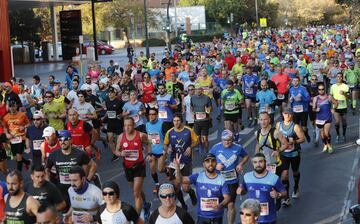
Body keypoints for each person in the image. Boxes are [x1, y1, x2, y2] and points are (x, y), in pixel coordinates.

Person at [45, 130, 97, 210]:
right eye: (60, 140)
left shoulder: (80, 153)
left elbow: (93, 165)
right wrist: (48, 183)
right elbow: (47, 169)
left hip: (77, 189)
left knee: (79, 211)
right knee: (65, 212)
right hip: (62, 189)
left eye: (66, 139)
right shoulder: (54, 154)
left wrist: (88, 180)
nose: (63, 142)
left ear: (71, 140)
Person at [174, 153, 230, 224]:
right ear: (203, 164)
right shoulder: (198, 177)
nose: (210, 163)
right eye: (207, 161)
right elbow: (180, 180)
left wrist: (220, 205)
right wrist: (178, 168)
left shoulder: (221, 180)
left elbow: (227, 197)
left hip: (217, 216)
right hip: (202, 216)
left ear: (216, 163)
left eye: (213, 161)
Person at [115, 117, 152, 219]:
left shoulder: (140, 135)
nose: (127, 127)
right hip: (127, 168)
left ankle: (136, 218)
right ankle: (145, 203)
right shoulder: (120, 137)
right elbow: (116, 151)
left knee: (136, 193)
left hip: (139, 166)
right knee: (138, 191)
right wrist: (120, 153)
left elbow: (149, 143)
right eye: (125, 125)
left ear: (134, 125)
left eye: (129, 125)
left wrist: (149, 153)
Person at [210, 130, 249, 224]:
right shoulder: (215, 147)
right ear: (221, 139)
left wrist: (240, 164)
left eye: (229, 140)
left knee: (230, 204)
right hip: (218, 181)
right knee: (218, 204)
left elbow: (246, 156)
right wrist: (215, 166)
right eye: (224, 140)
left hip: (232, 181)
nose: (226, 142)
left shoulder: (238, 148)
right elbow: (207, 160)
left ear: (233, 139)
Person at [237, 153, 286, 224]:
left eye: (260, 161)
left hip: (268, 218)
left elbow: (285, 193)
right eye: (255, 162)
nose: (258, 164)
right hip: (251, 218)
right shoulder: (247, 176)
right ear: (252, 163)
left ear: (265, 162)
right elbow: (244, 191)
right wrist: (241, 191)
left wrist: (278, 195)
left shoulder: (274, 178)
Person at [164, 113, 199, 210]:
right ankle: (183, 205)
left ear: (181, 121)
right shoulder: (169, 132)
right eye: (174, 121)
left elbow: (197, 141)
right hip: (174, 163)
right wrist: (167, 149)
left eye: (178, 120)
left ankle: (191, 192)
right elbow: (165, 144)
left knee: (185, 188)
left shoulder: (188, 130)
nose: (176, 123)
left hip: (186, 162)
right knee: (176, 187)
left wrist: (190, 147)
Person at [276, 107, 305, 206]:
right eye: (285, 113)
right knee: (284, 175)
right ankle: (286, 197)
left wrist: (295, 141)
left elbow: (302, 139)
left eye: (289, 114)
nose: (287, 116)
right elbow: (275, 137)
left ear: (292, 115)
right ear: (282, 114)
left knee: (295, 171)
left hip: (294, 153)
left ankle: (296, 187)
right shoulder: (279, 125)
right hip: (284, 154)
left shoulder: (295, 126)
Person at [255, 112, 288, 176]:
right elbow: (258, 145)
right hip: (264, 165)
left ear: (269, 120)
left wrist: (278, 151)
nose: (263, 122)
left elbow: (285, 144)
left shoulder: (276, 132)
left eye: (265, 119)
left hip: (276, 164)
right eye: (261, 120)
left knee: (277, 183)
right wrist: (256, 160)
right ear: (258, 121)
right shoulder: (257, 133)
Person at [3, 100, 31, 171]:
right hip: (12, 139)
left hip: (21, 137)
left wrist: (24, 127)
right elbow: (5, 127)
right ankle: (27, 162)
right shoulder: (6, 117)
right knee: (16, 157)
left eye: (13, 106)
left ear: (16, 106)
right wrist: (7, 134)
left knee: (19, 156)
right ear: (8, 108)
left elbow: (28, 124)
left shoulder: (22, 115)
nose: (12, 108)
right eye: (10, 106)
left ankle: (18, 175)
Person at [146, 108, 166, 194]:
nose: (151, 116)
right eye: (150, 114)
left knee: (160, 169)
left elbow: (167, 137)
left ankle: (167, 170)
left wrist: (167, 149)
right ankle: (157, 184)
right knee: (152, 170)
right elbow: (147, 141)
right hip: (152, 152)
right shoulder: (146, 125)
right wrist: (148, 153)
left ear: (157, 115)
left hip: (161, 151)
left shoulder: (162, 124)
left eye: (153, 114)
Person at [289, 76, 311, 142]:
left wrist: (302, 99)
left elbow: (308, 98)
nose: (295, 82)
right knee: (296, 128)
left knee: (304, 127)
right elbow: (290, 98)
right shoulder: (291, 89)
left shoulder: (303, 89)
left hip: (303, 110)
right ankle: (297, 143)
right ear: (292, 82)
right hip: (295, 110)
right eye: (294, 81)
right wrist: (290, 102)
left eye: (296, 81)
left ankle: (306, 134)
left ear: (299, 81)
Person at [313, 83, 334, 153]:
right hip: (319, 118)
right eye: (319, 89)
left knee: (326, 132)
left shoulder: (329, 97)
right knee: (322, 134)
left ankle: (329, 145)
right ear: (318, 90)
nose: (321, 91)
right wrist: (316, 110)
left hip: (328, 117)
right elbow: (313, 108)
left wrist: (333, 108)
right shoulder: (316, 98)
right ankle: (325, 144)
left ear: (325, 89)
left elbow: (336, 103)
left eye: (322, 89)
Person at [191, 85, 212, 153]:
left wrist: (208, 109)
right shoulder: (193, 98)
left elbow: (211, 108)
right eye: (196, 89)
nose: (198, 91)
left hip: (205, 120)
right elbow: (191, 106)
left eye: (199, 89)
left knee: (205, 139)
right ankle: (200, 146)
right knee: (197, 137)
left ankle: (206, 151)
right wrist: (193, 112)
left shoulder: (207, 98)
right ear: (195, 90)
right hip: (197, 121)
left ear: (202, 90)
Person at [330, 72, 350, 142]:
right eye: (338, 76)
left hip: (344, 107)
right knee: (337, 122)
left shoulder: (345, 86)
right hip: (336, 107)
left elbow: (349, 97)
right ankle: (338, 135)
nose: (339, 78)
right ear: (336, 77)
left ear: (342, 78)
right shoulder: (333, 86)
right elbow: (331, 96)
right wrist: (332, 106)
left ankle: (344, 135)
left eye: (340, 76)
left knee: (344, 122)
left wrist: (344, 93)